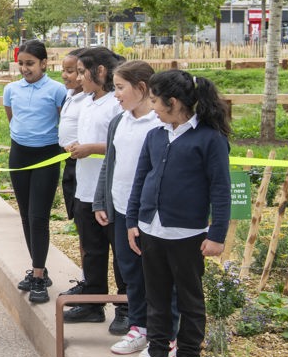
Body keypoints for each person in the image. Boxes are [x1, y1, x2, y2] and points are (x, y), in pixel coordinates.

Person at [127, 70, 231, 357]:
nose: (152, 108)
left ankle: (187, 351)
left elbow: (221, 189)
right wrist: (133, 221)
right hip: (151, 232)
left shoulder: (211, 139)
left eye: (155, 101)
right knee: (156, 298)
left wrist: (217, 235)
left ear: (172, 102)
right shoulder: (154, 135)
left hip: (188, 236)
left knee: (190, 300)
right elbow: (140, 180)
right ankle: (157, 349)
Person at [92, 61, 164, 355]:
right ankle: (139, 328)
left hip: (152, 216)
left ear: (142, 88)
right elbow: (110, 162)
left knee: (158, 276)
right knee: (130, 272)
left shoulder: (160, 123)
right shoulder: (119, 121)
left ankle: (164, 334)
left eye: (120, 88)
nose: (116, 94)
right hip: (121, 210)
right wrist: (101, 199)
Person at [63, 47, 127, 329]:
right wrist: (77, 147)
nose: (77, 78)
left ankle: (126, 309)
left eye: (81, 72)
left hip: (110, 193)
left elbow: (122, 144)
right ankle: (93, 303)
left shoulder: (117, 103)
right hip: (84, 189)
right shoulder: (87, 101)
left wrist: (90, 148)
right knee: (92, 250)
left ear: (100, 71)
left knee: (120, 253)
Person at [3, 39, 66, 304]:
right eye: (21, 64)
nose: (25, 69)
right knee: (26, 216)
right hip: (19, 154)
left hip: (46, 155)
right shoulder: (11, 89)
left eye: (30, 64)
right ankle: (38, 267)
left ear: (44, 63)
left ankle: (38, 278)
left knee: (38, 216)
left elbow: (65, 120)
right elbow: (11, 116)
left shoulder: (57, 90)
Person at [58, 48, 87, 222]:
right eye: (63, 70)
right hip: (69, 161)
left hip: (82, 161)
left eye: (70, 71)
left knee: (82, 211)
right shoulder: (69, 94)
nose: (64, 75)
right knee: (74, 211)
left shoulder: (87, 99)